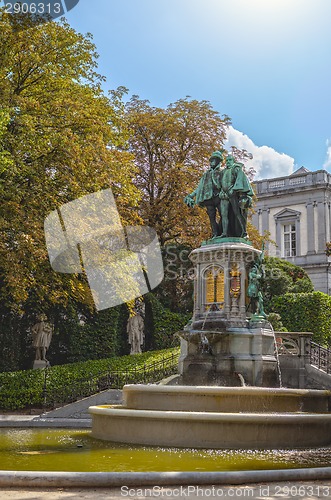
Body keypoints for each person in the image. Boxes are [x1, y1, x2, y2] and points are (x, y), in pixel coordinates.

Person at [184, 150, 225, 238]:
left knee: (223, 214)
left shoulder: (222, 171)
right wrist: (191, 195)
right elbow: (200, 187)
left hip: (219, 196)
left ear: (218, 161)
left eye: (213, 160)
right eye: (211, 160)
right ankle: (215, 233)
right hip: (209, 198)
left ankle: (222, 231)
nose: (211, 162)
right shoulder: (206, 174)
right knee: (211, 217)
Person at [219, 155, 254, 238]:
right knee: (224, 214)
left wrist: (234, 189)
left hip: (233, 194)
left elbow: (239, 180)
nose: (228, 162)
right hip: (224, 195)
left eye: (230, 160)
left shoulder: (236, 169)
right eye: (226, 160)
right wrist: (221, 191)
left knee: (237, 213)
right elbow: (221, 183)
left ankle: (244, 232)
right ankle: (224, 233)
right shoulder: (223, 172)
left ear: (233, 161)